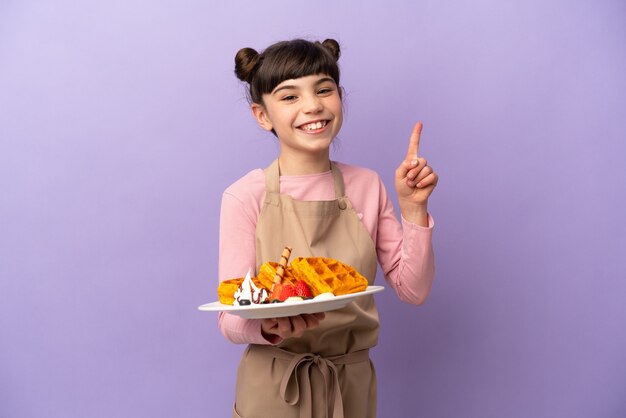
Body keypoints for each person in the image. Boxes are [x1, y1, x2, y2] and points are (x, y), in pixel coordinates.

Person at [217, 38, 438, 418]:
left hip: (350, 384)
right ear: (262, 115)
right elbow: (230, 317)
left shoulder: (367, 185)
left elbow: (413, 290)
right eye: (289, 97)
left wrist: (414, 209)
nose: (313, 105)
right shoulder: (244, 196)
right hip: (273, 387)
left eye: (324, 89)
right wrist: (268, 326)